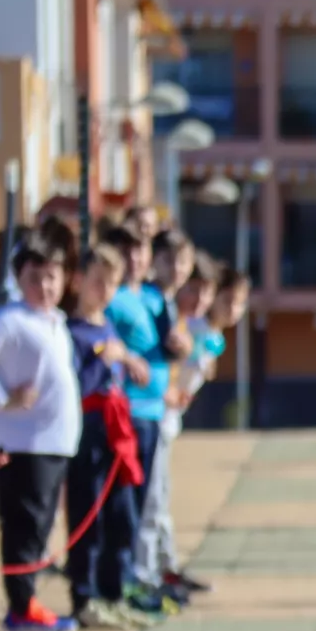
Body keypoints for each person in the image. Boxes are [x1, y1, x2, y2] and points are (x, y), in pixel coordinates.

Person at [0, 233, 83, 631]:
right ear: (19, 278)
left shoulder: (56, 322)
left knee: (43, 525)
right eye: (35, 277)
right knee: (25, 525)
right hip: (23, 443)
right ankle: (20, 606)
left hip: (55, 443)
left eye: (53, 276)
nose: (45, 286)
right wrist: (5, 401)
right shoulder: (10, 321)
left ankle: (28, 598)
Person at [65, 246, 153, 630]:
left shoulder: (108, 327)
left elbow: (119, 361)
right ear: (79, 281)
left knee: (122, 515)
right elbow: (71, 386)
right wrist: (103, 360)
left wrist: (132, 362)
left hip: (116, 433)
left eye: (111, 284)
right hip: (87, 431)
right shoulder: (71, 331)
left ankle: (114, 591)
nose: (104, 290)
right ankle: (84, 596)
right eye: (97, 281)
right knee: (89, 516)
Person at [131, 230, 198, 609]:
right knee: (147, 501)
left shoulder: (171, 304)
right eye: (169, 260)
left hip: (159, 412)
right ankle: (143, 576)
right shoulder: (151, 299)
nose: (176, 269)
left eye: (182, 261)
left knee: (159, 498)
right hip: (142, 410)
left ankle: (154, 571)